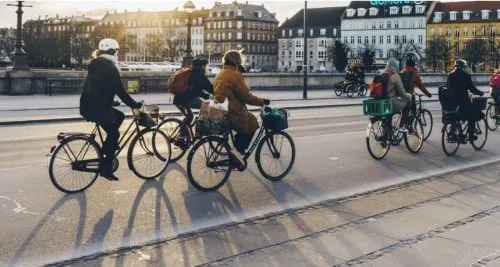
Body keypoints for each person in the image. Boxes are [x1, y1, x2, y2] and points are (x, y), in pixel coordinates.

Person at [80, 38, 142, 181]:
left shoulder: (95, 64)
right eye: (116, 51)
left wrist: (110, 101)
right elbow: (121, 91)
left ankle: (107, 148)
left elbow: (97, 87)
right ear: (113, 51)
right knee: (114, 135)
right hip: (99, 109)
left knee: (119, 116)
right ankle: (106, 167)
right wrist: (134, 105)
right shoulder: (110, 67)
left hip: (88, 106)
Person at [213, 50, 270, 168]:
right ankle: (238, 154)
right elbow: (246, 97)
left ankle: (237, 151)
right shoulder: (234, 74)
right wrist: (262, 102)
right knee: (252, 122)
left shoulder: (221, 72)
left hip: (221, 108)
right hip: (232, 111)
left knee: (247, 122)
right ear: (237, 61)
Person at [173, 56, 213, 140]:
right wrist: (217, 94)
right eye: (205, 66)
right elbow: (210, 88)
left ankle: (184, 137)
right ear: (202, 66)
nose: (206, 68)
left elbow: (196, 91)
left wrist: (207, 96)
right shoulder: (199, 75)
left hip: (178, 99)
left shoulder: (191, 73)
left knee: (189, 117)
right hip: (185, 100)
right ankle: (196, 132)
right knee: (206, 108)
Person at [447, 59, 484, 141]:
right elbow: (471, 89)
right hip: (463, 102)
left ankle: (452, 130)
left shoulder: (450, 76)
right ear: (463, 67)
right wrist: (480, 93)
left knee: (456, 115)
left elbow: (448, 88)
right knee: (473, 114)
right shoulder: (466, 76)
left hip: (451, 102)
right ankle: (471, 135)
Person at [383, 58, 412, 131]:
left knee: (388, 115)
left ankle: (387, 134)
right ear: (396, 66)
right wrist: (409, 96)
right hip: (391, 101)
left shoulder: (382, 73)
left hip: (382, 101)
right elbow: (402, 92)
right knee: (407, 105)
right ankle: (402, 126)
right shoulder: (395, 76)